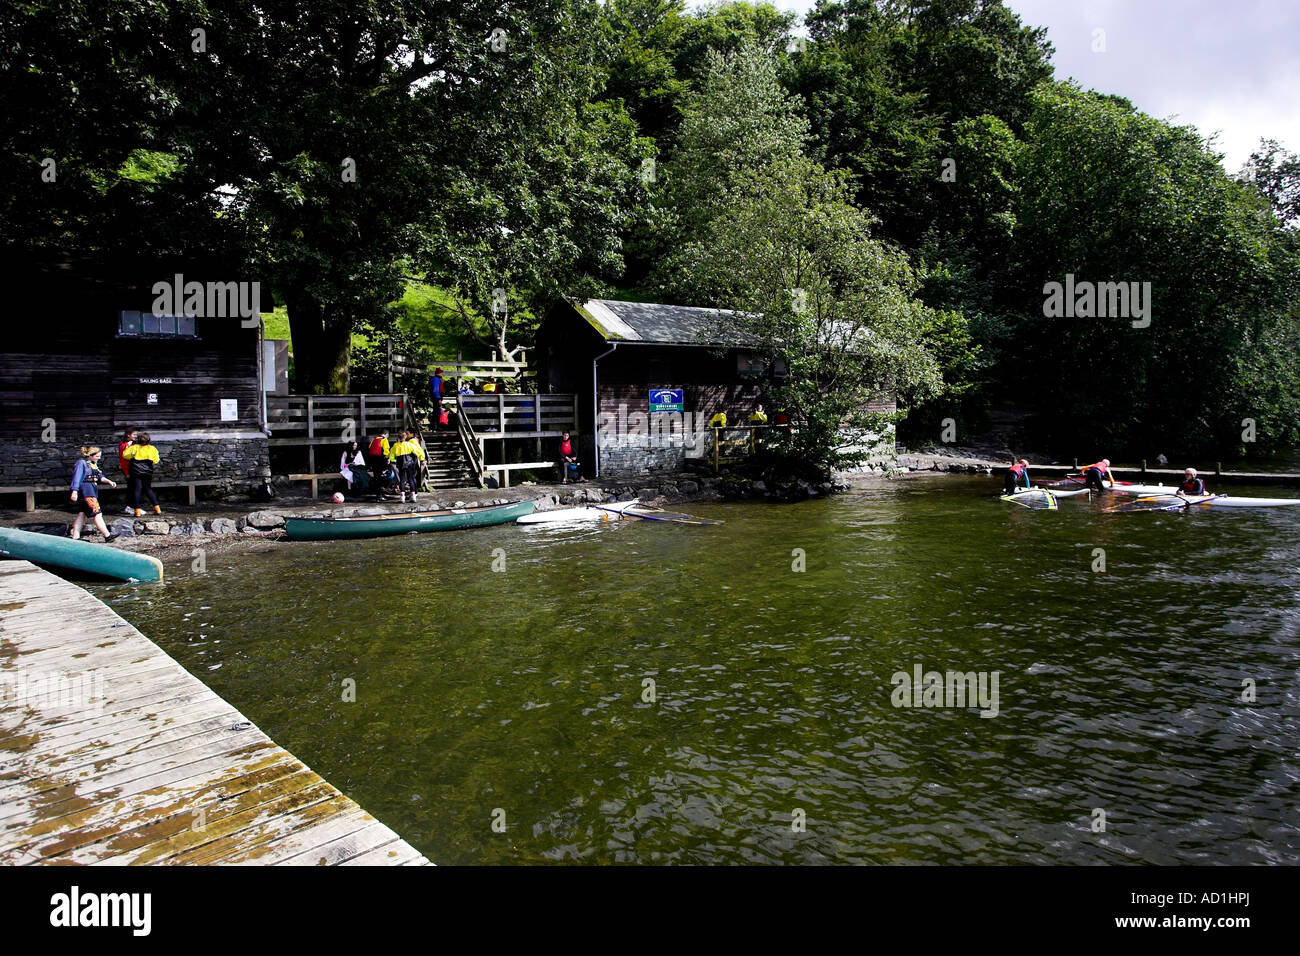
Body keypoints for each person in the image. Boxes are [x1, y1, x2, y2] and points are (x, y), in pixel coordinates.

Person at [69, 446, 118, 541]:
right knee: (97, 512)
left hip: (91, 490)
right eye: (97, 456)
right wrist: (74, 491)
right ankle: (107, 535)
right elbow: (77, 478)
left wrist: (109, 482)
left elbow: (100, 476)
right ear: (90, 455)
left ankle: (75, 536)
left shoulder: (93, 465)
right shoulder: (81, 463)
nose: (99, 458)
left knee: (82, 514)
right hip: (86, 491)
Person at [123, 432, 162, 516]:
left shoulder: (134, 448)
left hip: (135, 471)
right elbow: (156, 460)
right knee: (148, 489)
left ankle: (137, 511)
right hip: (147, 471)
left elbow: (125, 455)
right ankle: (157, 508)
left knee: (137, 489)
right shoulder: (152, 448)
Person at [388, 428, 426, 503]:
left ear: (398, 438)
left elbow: (391, 455)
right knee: (411, 478)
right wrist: (422, 459)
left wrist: (392, 461)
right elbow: (418, 451)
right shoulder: (410, 444)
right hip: (409, 463)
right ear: (405, 437)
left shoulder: (395, 446)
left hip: (400, 463)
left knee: (402, 479)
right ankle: (413, 496)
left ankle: (402, 497)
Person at [117, 426, 138, 514]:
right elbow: (123, 461)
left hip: (134, 468)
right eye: (134, 434)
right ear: (128, 435)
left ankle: (133, 506)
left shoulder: (133, 444)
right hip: (128, 469)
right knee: (132, 488)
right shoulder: (124, 446)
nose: (135, 436)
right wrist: (126, 473)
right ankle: (130, 507)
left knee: (135, 488)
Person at [367, 429, 391, 500]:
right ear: (386, 434)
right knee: (382, 477)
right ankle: (381, 494)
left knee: (376, 477)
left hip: (373, 460)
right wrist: (388, 459)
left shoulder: (373, 440)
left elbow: (369, 448)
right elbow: (386, 451)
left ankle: (379, 495)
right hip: (381, 460)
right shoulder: (384, 440)